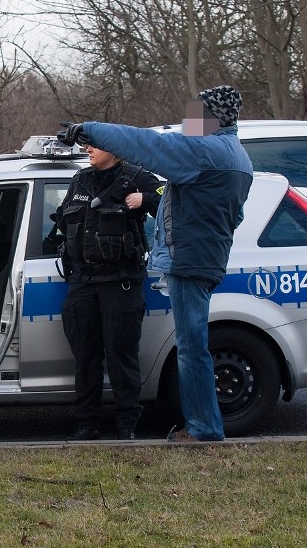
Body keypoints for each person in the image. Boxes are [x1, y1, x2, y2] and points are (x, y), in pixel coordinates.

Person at [58, 85, 253, 442]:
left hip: (188, 260)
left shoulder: (207, 152)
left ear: (212, 117)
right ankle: (204, 426)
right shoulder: (239, 157)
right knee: (194, 347)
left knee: (192, 351)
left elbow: (148, 144)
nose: (188, 121)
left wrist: (90, 130)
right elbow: (234, 217)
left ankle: (203, 429)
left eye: (196, 114)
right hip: (204, 256)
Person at [54, 144, 163, 441]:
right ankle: (87, 424)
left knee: (121, 356)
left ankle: (126, 425)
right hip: (83, 282)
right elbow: (64, 219)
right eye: (85, 145)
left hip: (121, 282)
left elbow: (171, 198)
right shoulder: (80, 180)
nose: (87, 150)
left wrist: (147, 198)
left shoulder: (136, 177)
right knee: (85, 358)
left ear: (114, 150)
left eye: (94, 145)